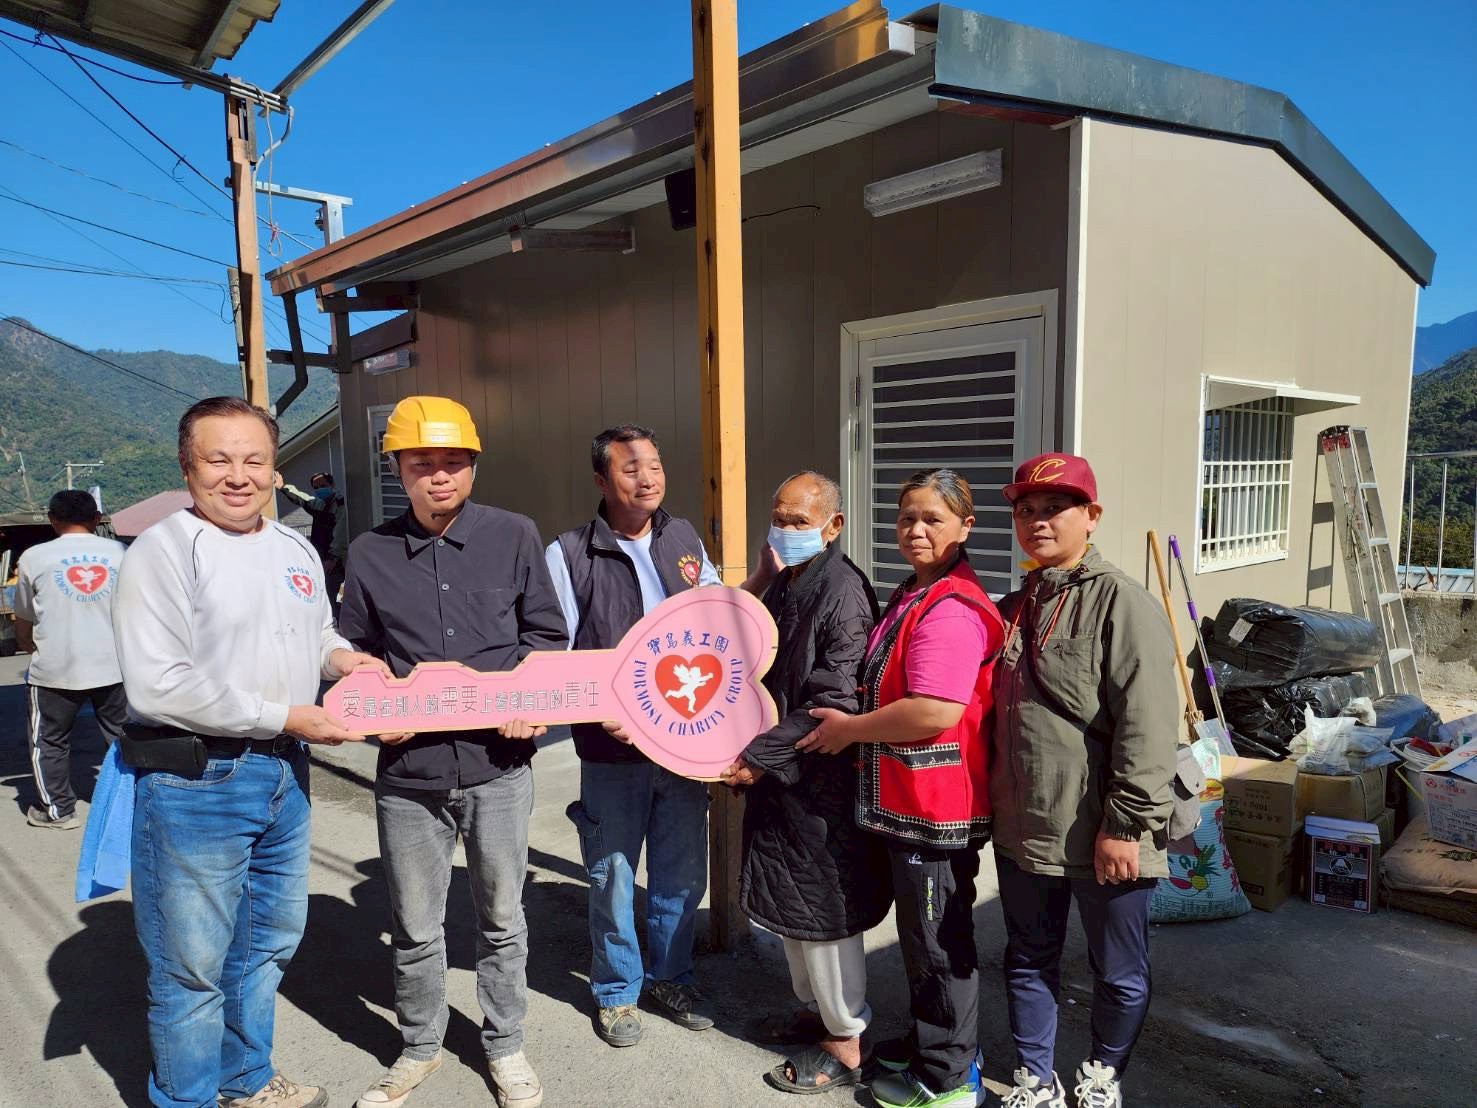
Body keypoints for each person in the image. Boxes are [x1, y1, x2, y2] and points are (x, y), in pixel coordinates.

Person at [114, 396, 385, 1108]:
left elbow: (315, 633)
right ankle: (188, 1097)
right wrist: (285, 715)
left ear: (274, 469)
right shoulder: (162, 551)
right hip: (196, 779)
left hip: (284, 773)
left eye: (255, 460)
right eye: (219, 459)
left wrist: (342, 661)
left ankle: (245, 1079)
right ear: (187, 467)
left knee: (266, 941)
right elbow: (158, 685)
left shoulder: (294, 547)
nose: (238, 476)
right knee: (192, 965)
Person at [339, 395, 567, 1108]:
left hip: (500, 767)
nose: (438, 476)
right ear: (397, 470)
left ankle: (504, 1045)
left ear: (472, 466)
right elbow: (354, 652)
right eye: (421, 463)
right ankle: (418, 1046)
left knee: (502, 919)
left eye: (452, 462)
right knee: (414, 927)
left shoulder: (514, 535)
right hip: (410, 775)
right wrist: (373, 713)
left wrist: (529, 700)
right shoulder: (369, 553)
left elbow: (546, 636)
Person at [800, 468, 1003, 1108]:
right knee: (923, 939)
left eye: (933, 519)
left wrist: (850, 731)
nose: (916, 530)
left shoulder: (952, 607)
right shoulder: (919, 591)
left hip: (935, 807)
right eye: (907, 517)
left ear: (965, 527)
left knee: (939, 943)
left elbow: (934, 710)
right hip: (910, 801)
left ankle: (948, 1079)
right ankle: (935, 1045)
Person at [988, 454, 1177, 1108]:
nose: (1037, 521)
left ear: (1091, 516)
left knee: (1117, 971)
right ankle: (1034, 1080)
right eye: (1025, 509)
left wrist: (1125, 826)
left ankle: (1101, 1078)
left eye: (1055, 508)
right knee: (1027, 958)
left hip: (1104, 829)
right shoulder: (1014, 605)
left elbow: (1149, 726)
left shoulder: (1123, 603)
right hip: (1025, 828)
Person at [546, 423, 721, 1048]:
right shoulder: (570, 553)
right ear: (601, 480)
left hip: (684, 740)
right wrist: (600, 710)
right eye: (630, 468)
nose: (647, 479)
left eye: (655, 465)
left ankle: (672, 976)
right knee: (613, 873)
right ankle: (617, 991)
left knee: (680, 871)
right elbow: (558, 652)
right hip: (611, 746)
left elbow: (715, 620)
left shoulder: (682, 536)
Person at [718, 471, 889, 1095]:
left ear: (833, 526)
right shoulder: (790, 581)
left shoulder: (842, 591)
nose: (786, 530)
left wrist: (759, 755)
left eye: (799, 521)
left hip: (819, 782)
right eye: (779, 518)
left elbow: (833, 698)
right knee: (795, 909)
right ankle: (817, 1013)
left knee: (825, 915)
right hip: (785, 777)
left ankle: (847, 1037)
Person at [13, 488, 128, 829]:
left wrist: (28, 645)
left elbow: (24, 617)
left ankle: (58, 811)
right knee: (124, 736)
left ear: (52, 520)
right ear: (97, 519)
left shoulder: (34, 557)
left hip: (54, 668)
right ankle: (130, 806)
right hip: (115, 665)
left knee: (49, 740)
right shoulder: (121, 553)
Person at [276, 470, 346, 611]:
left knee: (334, 596)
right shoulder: (319, 504)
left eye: (323, 485)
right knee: (323, 595)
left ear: (332, 485)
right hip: (322, 559)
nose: (320, 489)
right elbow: (302, 498)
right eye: (316, 487)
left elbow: (341, 532)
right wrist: (283, 487)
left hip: (335, 562)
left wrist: (333, 558)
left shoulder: (340, 504)